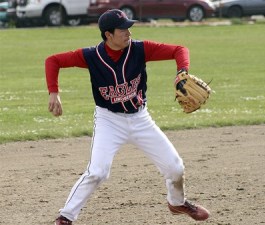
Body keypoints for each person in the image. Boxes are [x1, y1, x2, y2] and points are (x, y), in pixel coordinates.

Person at [45, 9, 210, 225]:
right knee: (97, 172)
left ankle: (177, 202)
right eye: (122, 29)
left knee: (175, 168)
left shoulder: (140, 49)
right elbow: (53, 60)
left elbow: (180, 49)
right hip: (109, 121)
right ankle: (65, 216)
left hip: (140, 119)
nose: (128, 32)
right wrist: (54, 92)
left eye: (128, 27)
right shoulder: (92, 56)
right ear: (108, 35)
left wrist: (182, 71)